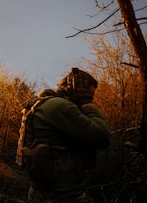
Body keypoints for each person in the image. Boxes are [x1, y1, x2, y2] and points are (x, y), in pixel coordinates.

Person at [21, 68, 110, 203]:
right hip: (62, 195)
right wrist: (87, 104)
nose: (92, 97)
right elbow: (102, 137)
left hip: (39, 191)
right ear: (77, 89)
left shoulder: (43, 104)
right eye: (90, 93)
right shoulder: (60, 106)